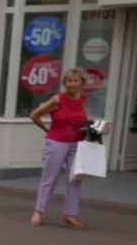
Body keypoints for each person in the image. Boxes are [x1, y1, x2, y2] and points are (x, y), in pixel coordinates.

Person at [29, 66, 94, 229]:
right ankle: (39, 212)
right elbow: (35, 115)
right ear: (64, 82)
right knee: (50, 178)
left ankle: (69, 215)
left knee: (75, 179)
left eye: (75, 81)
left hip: (78, 142)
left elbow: (84, 115)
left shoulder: (83, 98)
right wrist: (48, 130)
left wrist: (93, 122)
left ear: (82, 82)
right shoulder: (58, 99)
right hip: (57, 141)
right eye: (69, 81)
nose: (71, 84)